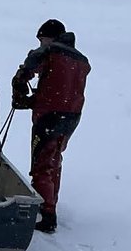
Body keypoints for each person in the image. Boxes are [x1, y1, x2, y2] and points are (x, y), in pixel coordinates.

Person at [12, 19, 90, 234]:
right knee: (54, 159)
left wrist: (20, 80)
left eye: (41, 38)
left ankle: (47, 215)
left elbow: (30, 66)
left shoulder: (50, 51)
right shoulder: (81, 60)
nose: (40, 42)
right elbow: (61, 90)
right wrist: (33, 100)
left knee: (42, 163)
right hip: (71, 116)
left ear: (50, 37)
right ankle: (50, 203)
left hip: (49, 116)